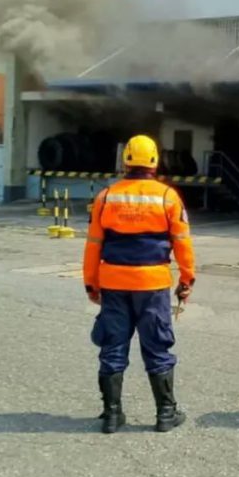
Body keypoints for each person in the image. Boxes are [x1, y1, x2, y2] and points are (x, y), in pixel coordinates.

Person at [83, 134, 196, 434]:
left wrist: (91, 284)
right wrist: (187, 278)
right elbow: (182, 242)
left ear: (126, 161)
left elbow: (94, 244)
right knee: (157, 346)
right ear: (155, 161)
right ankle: (165, 414)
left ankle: (111, 414)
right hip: (152, 283)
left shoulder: (106, 197)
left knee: (113, 346)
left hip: (113, 282)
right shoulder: (167, 196)